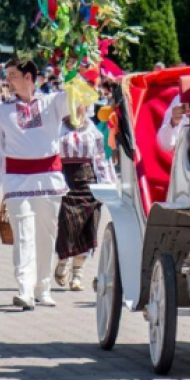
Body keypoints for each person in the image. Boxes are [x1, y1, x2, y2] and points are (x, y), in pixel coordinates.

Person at [0, 58, 70, 310]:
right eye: (7, 75)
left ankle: (43, 287)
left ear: (29, 77)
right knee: (23, 234)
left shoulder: (52, 102)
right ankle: (24, 289)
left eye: (12, 75)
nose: (7, 80)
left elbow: (77, 98)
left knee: (46, 235)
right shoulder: (3, 111)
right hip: (17, 181)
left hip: (48, 180)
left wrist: (80, 67)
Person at [53, 104, 115, 291]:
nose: (77, 106)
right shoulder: (58, 127)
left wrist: (107, 185)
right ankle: (63, 260)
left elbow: (100, 158)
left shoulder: (92, 130)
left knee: (88, 226)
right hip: (64, 178)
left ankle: (78, 274)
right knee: (66, 225)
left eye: (81, 102)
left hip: (88, 178)